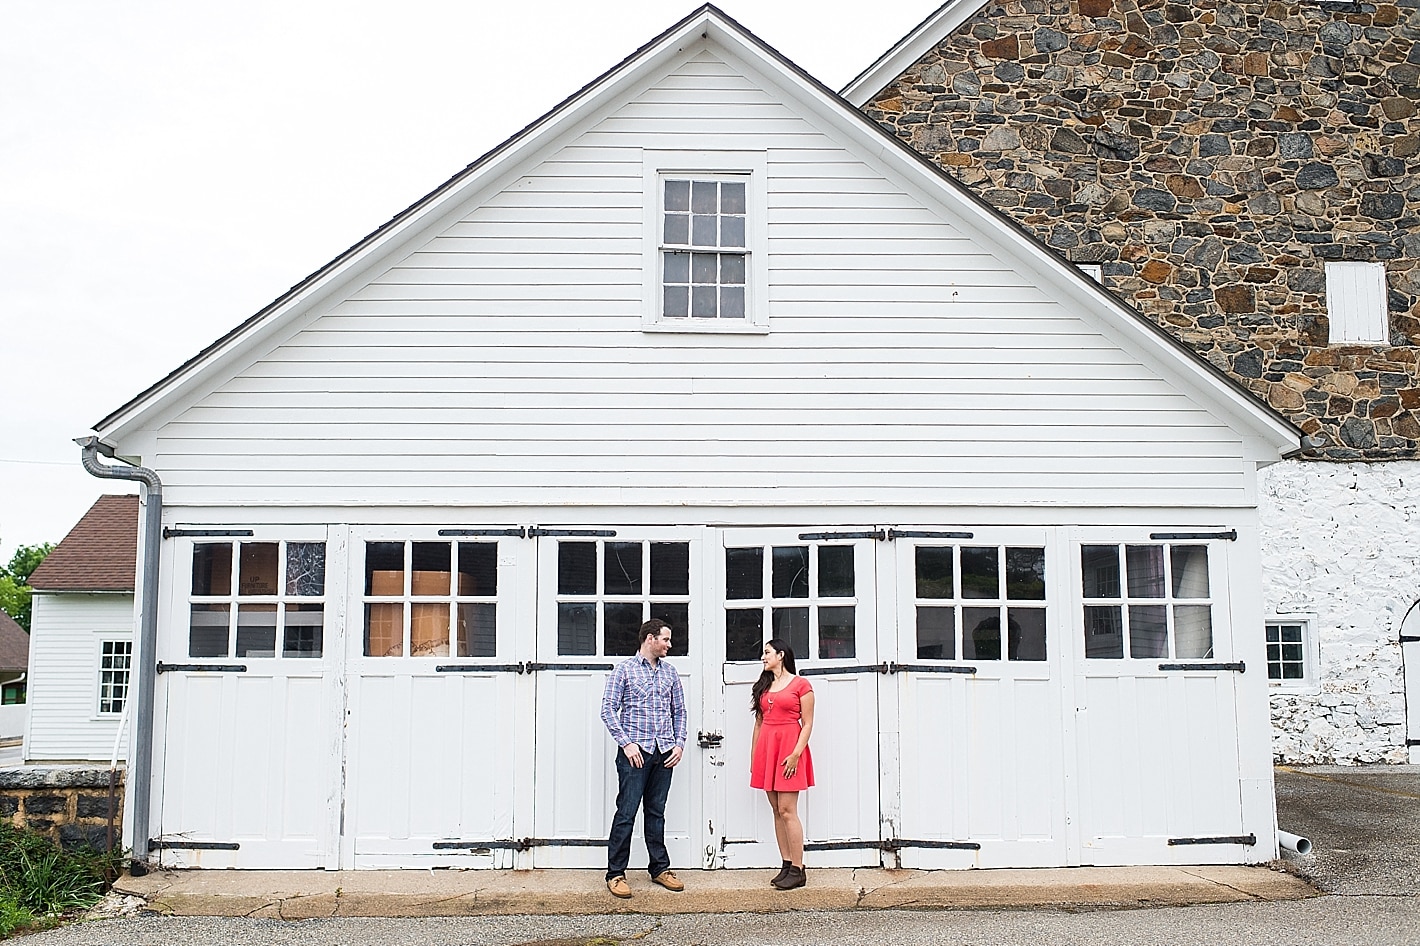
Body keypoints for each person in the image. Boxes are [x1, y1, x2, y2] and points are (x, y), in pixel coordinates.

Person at [600, 618, 687, 899]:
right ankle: (616, 874)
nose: (669, 645)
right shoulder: (624, 670)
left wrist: (679, 744)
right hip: (635, 755)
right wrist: (627, 744)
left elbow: (680, 712)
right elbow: (608, 710)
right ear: (650, 639)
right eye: (665, 640)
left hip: (664, 753)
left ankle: (660, 868)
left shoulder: (670, 673)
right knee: (626, 812)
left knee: (656, 812)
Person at [749, 637, 815, 890]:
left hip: (790, 751)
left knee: (788, 810)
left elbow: (807, 723)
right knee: (776, 810)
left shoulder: (801, 685)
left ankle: (799, 869)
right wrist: (755, 757)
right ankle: (786, 864)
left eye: (767, 653)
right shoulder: (764, 686)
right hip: (768, 751)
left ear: (781, 655)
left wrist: (797, 754)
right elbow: (759, 723)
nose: (763, 657)